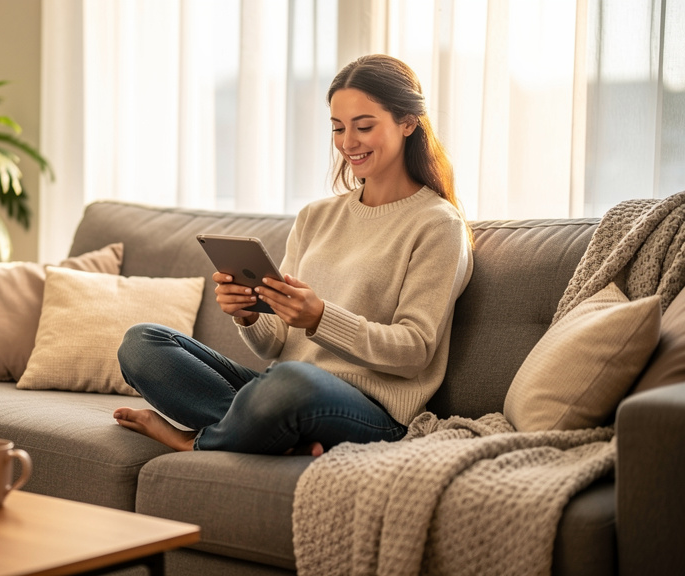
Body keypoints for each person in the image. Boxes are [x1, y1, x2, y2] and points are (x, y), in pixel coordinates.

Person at [113, 54, 474, 457]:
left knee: (290, 385)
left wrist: (322, 318)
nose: (347, 142)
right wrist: (249, 313)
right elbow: (276, 345)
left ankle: (194, 441)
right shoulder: (316, 217)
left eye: (364, 126)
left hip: (369, 411)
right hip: (283, 387)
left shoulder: (438, 225)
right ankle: (269, 431)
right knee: (142, 343)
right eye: (338, 128)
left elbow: (415, 350)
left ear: (408, 122)